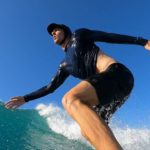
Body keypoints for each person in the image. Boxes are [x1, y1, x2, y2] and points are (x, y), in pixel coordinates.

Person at [5, 23, 150, 150]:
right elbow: (50, 87)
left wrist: (142, 41)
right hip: (113, 92)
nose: (53, 34)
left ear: (65, 30)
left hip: (118, 74)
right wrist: (26, 98)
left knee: (71, 99)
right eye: (51, 33)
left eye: (56, 30)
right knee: (86, 131)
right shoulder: (64, 65)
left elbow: (109, 36)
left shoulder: (79, 35)